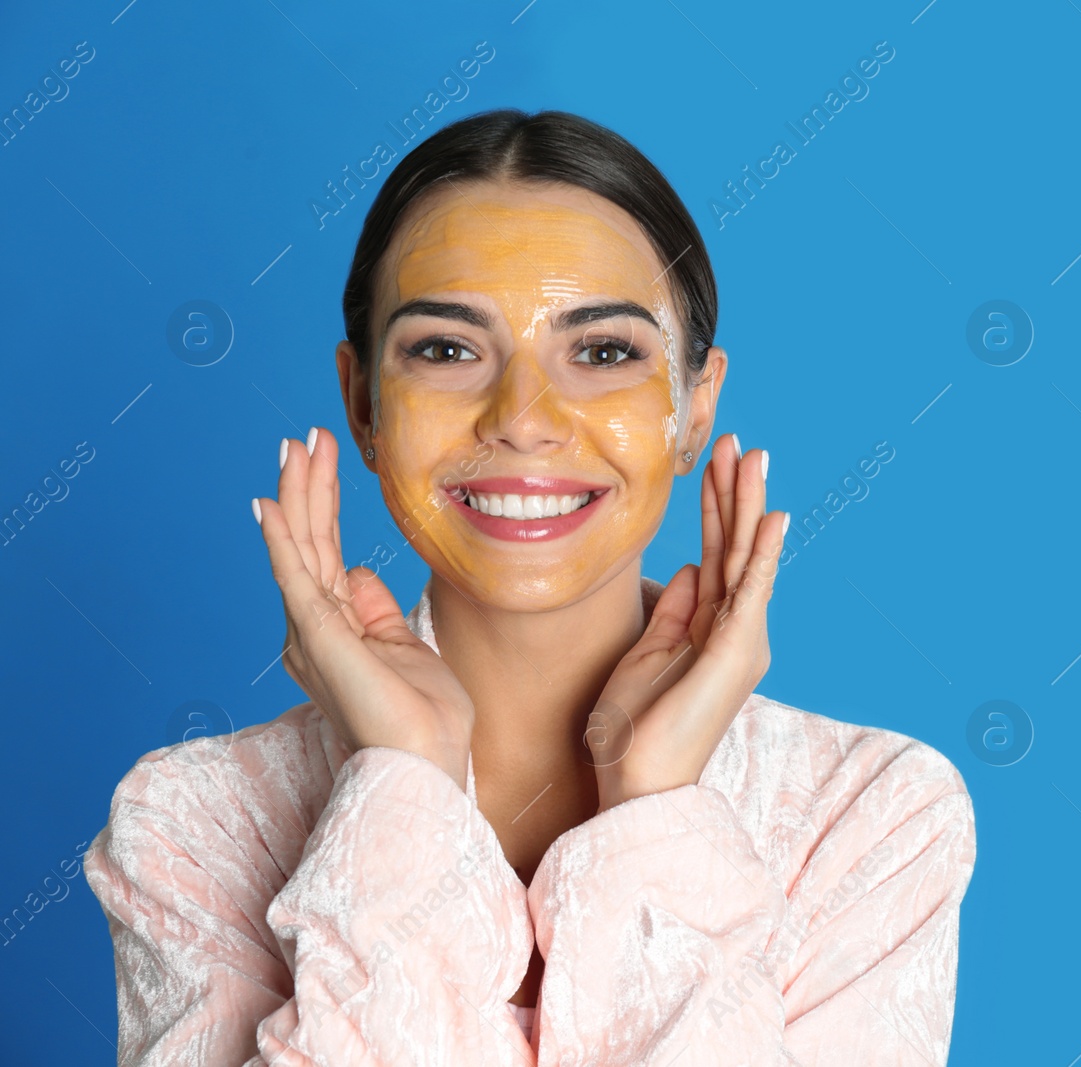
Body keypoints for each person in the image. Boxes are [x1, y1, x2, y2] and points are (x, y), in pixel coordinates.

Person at [83, 109, 977, 1065]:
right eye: (447, 349)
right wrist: (406, 776)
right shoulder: (194, 825)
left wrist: (653, 804)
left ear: (694, 407)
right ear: (362, 406)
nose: (522, 419)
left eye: (601, 353)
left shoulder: (868, 815)